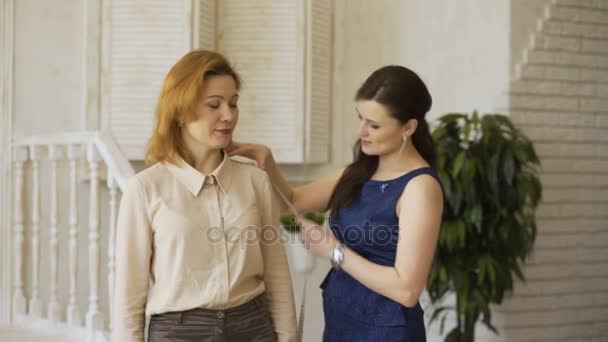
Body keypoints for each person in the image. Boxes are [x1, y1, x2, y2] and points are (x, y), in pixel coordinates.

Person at [227, 65, 443, 341]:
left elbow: (407, 290)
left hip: (386, 332)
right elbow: (292, 203)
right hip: (341, 322)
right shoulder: (360, 172)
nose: (361, 131)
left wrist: (333, 250)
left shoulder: (420, 187)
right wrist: (267, 162)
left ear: (409, 127)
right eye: (360, 118)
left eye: (374, 125)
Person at [112, 50, 297, 342]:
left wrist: (288, 337)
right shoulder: (145, 189)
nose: (229, 115)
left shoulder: (255, 181)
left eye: (233, 103)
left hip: (253, 326)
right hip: (179, 331)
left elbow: (276, 272)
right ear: (181, 111)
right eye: (214, 104)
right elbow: (129, 293)